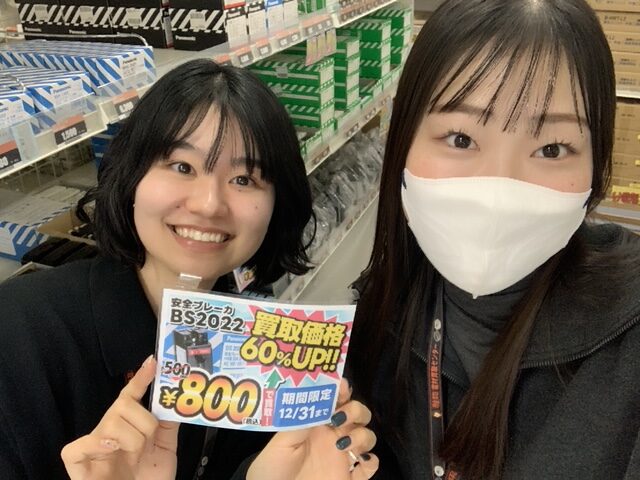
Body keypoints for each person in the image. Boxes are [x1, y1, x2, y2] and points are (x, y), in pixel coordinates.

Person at [0, 59, 378, 479]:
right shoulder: (17, 337)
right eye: (183, 167)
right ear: (132, 176)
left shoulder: (263, 350)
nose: (209, 204)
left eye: (244, 179)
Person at [347, 0, 640, 479]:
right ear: (402, 143)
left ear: (596, 168)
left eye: (551, 148)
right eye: (461, 139)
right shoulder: (379, 315)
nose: (499, 188)